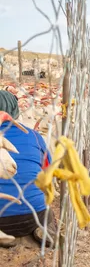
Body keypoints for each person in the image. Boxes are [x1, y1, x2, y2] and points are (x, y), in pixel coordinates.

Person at [0, 90, 56, 247]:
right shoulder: (35, 136)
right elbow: (47, 175)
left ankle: (5, 237)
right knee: (48, 207)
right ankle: (45, 229)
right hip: (33, 215)